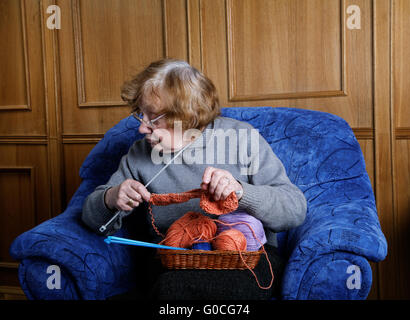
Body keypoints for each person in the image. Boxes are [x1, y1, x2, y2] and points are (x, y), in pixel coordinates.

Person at [82, 58, 307, 300]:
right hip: (175, 257)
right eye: (140, 115)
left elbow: (294, 209)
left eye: (154, 118)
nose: (142, 128)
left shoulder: (242, 138)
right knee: (173, 291)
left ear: (187, 115)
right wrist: (110, 198)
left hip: (245, 255)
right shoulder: (139, 155)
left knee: (233, 292)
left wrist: (241, 192)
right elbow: (92, 219)